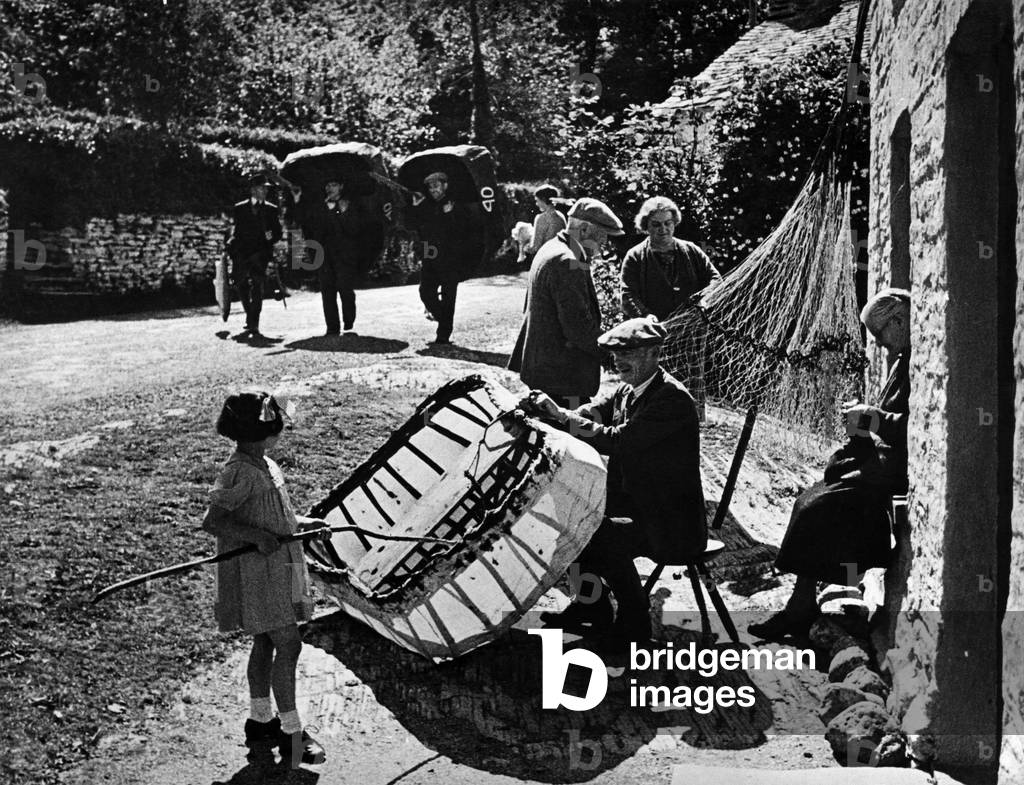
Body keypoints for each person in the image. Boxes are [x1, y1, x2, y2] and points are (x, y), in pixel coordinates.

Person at [521, 316, 707, 648]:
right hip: (640, 509)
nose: (619, 362)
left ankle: (634, 626)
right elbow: (593, 414)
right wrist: (549, 415)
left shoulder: (671, 399)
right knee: (569, 515)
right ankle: (591, 606)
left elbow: (618, 440)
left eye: (629, 353)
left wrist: (562, 418)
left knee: (599, 534)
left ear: (654, 353)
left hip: (671, 523)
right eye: (616, 354)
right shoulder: (629, 390)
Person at [748, 288, 912, 640]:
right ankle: (823, 598)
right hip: (883, 463)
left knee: (819, 509)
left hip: (897, 470)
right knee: (817, 502)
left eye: (880, 335)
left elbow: (919, 426)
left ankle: (803, 607)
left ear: (898, 321)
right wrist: (867, 416)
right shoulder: (902, 359)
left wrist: (874, 417)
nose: (880, 345)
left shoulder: (915, 360)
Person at [202, 391, 332, 766]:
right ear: (261, 431)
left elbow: (275, 517)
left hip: (279, 567)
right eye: (276, 428)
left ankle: (260, 720)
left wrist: (304, 525)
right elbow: (215, 521)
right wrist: (257, 537)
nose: (280, 434)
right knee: (288, 644)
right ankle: (292, 734)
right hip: (261, 573)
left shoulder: (266, 464)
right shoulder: (239, 470)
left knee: (265, 641)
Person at [508, 197, 623, 407]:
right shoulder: (569, 260)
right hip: (561, 377)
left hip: (546, 370)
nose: (605, 243)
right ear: (586, 229)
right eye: (603, 235)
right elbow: (578, 327)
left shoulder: (552, 247)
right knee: (575, 435)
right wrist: (614, 354)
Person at [620, 196, 721, 321]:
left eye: (667, 223)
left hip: (694, 327)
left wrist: (706, 298)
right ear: (646, 225)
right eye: (656, 224)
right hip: (654, 332)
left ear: (674, 223)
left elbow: (715, 278)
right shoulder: (635, 256)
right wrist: (645, 315)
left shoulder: (691, 250)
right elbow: (628, 295)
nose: (663, 229)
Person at [407, 171, 477, 344]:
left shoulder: (456, 204)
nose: (433, 190)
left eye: (436, 185)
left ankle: (443, 334)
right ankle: (442, 319)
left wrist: (450, 213)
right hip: (430, 256)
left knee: (448, 296)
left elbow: (464, 230)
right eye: (430, 186)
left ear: (445, 185)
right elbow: (414, 226)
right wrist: (416, 207)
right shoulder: (425, 204)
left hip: (451, 258)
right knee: (425, 292)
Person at [292, 179, 366, 335]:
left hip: (344, 255)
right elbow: (303, 221)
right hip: (323, 254)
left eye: (333, 185)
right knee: (327, 290)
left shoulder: (349, 205)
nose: (329, 189)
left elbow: (354, 229)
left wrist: (344, 213)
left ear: (341, 186)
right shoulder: (319, 207)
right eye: (327, 186)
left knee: (345, 288)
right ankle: (332, 327)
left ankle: (348, 319)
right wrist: (297, 199)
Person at [226, 175, 283, 337]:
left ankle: (254, 322)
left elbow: (277, 233)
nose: (264, 191)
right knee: (241, 284)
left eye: (266, 188)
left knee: (258, 287)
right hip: (242, 253)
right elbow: (237, 231)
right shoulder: (240, 208)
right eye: (261, 188)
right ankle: (249, 314)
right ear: (252, 190)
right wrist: (232, 245)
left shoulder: (271, 209)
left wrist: (270, 236)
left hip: (260, 254)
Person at [528, 184, 568, 256]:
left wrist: (524, 246)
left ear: (543, 199)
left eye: (537, 200)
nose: (537, 204)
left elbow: (535, 248)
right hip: (562, 254)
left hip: (547, 258)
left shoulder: (541, 218)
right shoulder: (561, 216)